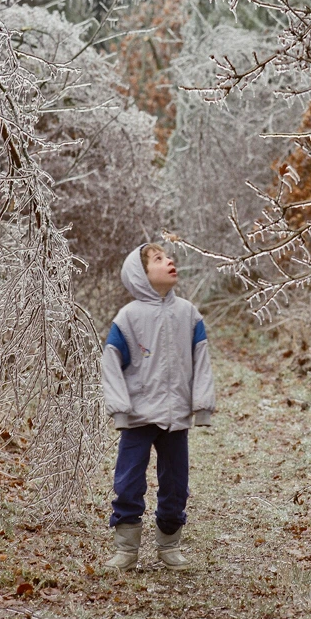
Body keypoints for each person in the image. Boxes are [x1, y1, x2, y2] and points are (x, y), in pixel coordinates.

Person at [100, 243, 215, 571]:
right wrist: (119, 408)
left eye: (169, 257)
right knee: (128, 481)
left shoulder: (188, 314)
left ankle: (169, 545)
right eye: (159, 259)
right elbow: (111, 361)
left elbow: (201, 360)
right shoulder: (129, 317)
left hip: (176, 415)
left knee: (176, 483)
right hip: (136, 417)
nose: (170, 261)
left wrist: (201, 405)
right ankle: (126, 549)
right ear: (141, 275)